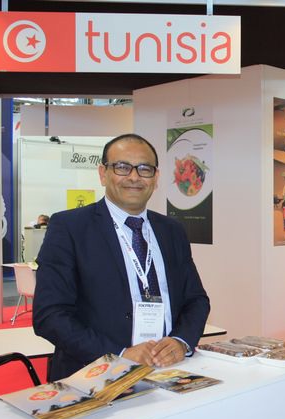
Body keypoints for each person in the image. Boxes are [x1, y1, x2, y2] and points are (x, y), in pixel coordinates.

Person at [33, 133, 210, 381]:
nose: (134, 177)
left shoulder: (172, 230)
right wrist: (119, 354)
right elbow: (50, 315)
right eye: (122, 167)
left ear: (156, 178)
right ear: (103, 173)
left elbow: (196, 300)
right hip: (95, 376)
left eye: (144, 169)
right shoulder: (69, 227)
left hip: (167, 371)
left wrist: (181, 341)